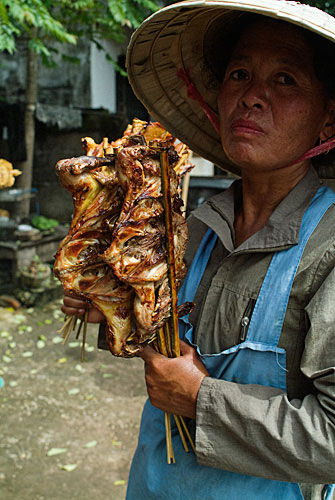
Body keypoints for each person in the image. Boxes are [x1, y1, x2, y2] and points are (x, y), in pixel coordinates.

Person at [62, 1, 335, 499]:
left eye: (286, 80)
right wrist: (114, 308)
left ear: (329, 122)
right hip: (155, 483)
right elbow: (166, 348)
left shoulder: (330, 248)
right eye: (239, 73)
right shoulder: (191, 227)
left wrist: (200, 401)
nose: (252, 95)